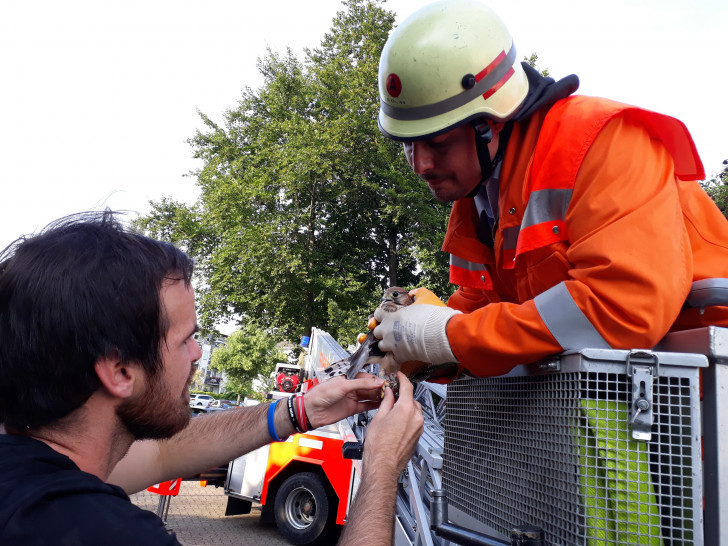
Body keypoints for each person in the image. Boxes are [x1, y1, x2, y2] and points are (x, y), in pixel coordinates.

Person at [0, 211, 424, 545]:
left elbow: (166, 455)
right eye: (186, 340)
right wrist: (383, 466)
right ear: (120, 371)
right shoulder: (101, 533)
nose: (199, 354)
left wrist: (301, 411)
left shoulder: (29, 475)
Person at [371, 0, 728, 379]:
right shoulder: (477, 202)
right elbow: (488, 324)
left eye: (439, 143)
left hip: (704, 397)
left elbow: (622, 309)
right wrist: (411, 346)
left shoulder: (602, 145)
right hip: (623, 400)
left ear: (492, 122)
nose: (420, 165)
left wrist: (443, 333)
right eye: (408, 144)